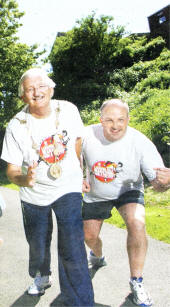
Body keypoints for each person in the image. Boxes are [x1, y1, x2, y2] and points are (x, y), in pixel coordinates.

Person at [1, 68, 94, 306]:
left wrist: (79, 172)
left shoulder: (68, 110)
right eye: (30, 89)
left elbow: (78, 142)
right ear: (22, 96)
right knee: (38, 243)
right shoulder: (16, 125)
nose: (37, 92)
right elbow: (11, 170)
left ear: (51, 88)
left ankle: (79, 301)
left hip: (68, 188)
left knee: (72, 244)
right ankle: (41, 276)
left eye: (41, 86)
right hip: (34, 194)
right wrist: (25, 179)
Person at [81, 99, 168, 307]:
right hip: (96, 194)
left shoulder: (140, 141)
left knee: (137, 224)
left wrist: (164, 183)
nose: (115, 125)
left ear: (128, 119)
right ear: (100, 120)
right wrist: (78, 174)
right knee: (89, 236)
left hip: (128, 190)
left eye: (121, 120)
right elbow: (72, 157)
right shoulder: (85, 135)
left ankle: (136, 282)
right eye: (109, 120)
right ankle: (97, 255)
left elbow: (157, 183)